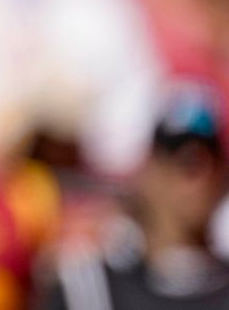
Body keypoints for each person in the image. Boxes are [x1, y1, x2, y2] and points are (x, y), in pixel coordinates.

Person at [36, 86, 229, 310]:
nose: (201, 178)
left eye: (212, 164)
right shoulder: (87, 289)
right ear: (150, 171)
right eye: (188, 163)